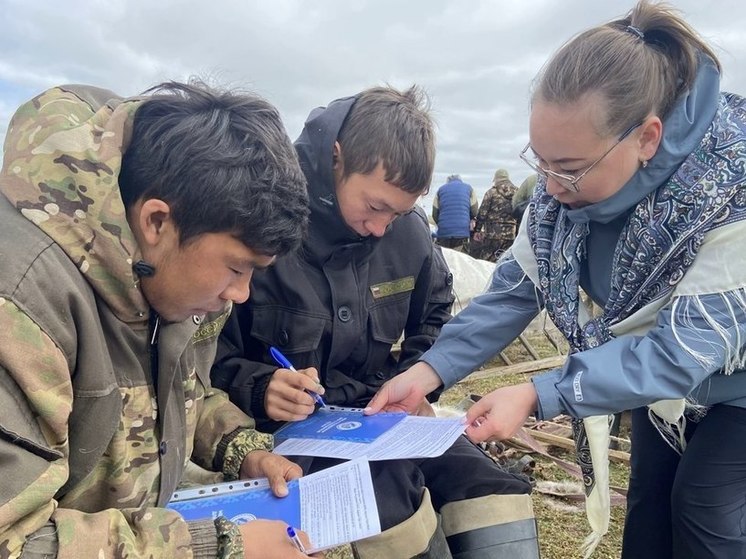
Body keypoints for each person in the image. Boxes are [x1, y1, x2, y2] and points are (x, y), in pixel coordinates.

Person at [366, 2, 746, 558]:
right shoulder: (555, 205)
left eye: (568, 166)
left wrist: (542, 393)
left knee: (703, 505)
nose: (549, 185)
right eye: (539, 160)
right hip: (652, 383)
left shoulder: (728, 196)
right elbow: (513, 294)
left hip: (729, 376)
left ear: (646, 138)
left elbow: (678, 352)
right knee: (647, 504)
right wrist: (427, 371)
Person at [211, 85, 536, 558]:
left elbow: (436, 317)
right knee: (390, 502)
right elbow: (205, 357)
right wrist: (261, 386)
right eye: (376, 207)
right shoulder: (265, 221)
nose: (383, 227)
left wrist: (418, 380)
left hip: (379, 414)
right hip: (290, 432)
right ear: (337, 159)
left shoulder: (407, 234)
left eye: (400, 212)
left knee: (489, 487)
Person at [0, 81, 318, 558]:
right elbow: (13, 540)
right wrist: (217, 547)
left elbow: (182, 393)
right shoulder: (23, 304)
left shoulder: (167, 280)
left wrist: (243, 450)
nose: (241, 292)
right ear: (156, 222)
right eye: (236, 267)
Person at [471, 168, 517, 261]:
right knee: (505, 261)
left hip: (493, 234)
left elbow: (482, 213)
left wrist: (477, 230)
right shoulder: (517, 192)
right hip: (511, 234)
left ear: (496, 179)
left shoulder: (491, 192)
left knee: (488, 262)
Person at [431, 173, 479, 252]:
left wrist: (441, 225)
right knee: (461, 260)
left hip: (444, 232)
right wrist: (468, 220)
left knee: (445, 259)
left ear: (448, 181)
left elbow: (435, 213)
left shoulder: (440, 190)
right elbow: (474, 211)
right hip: (462, 231)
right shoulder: (469, 189)